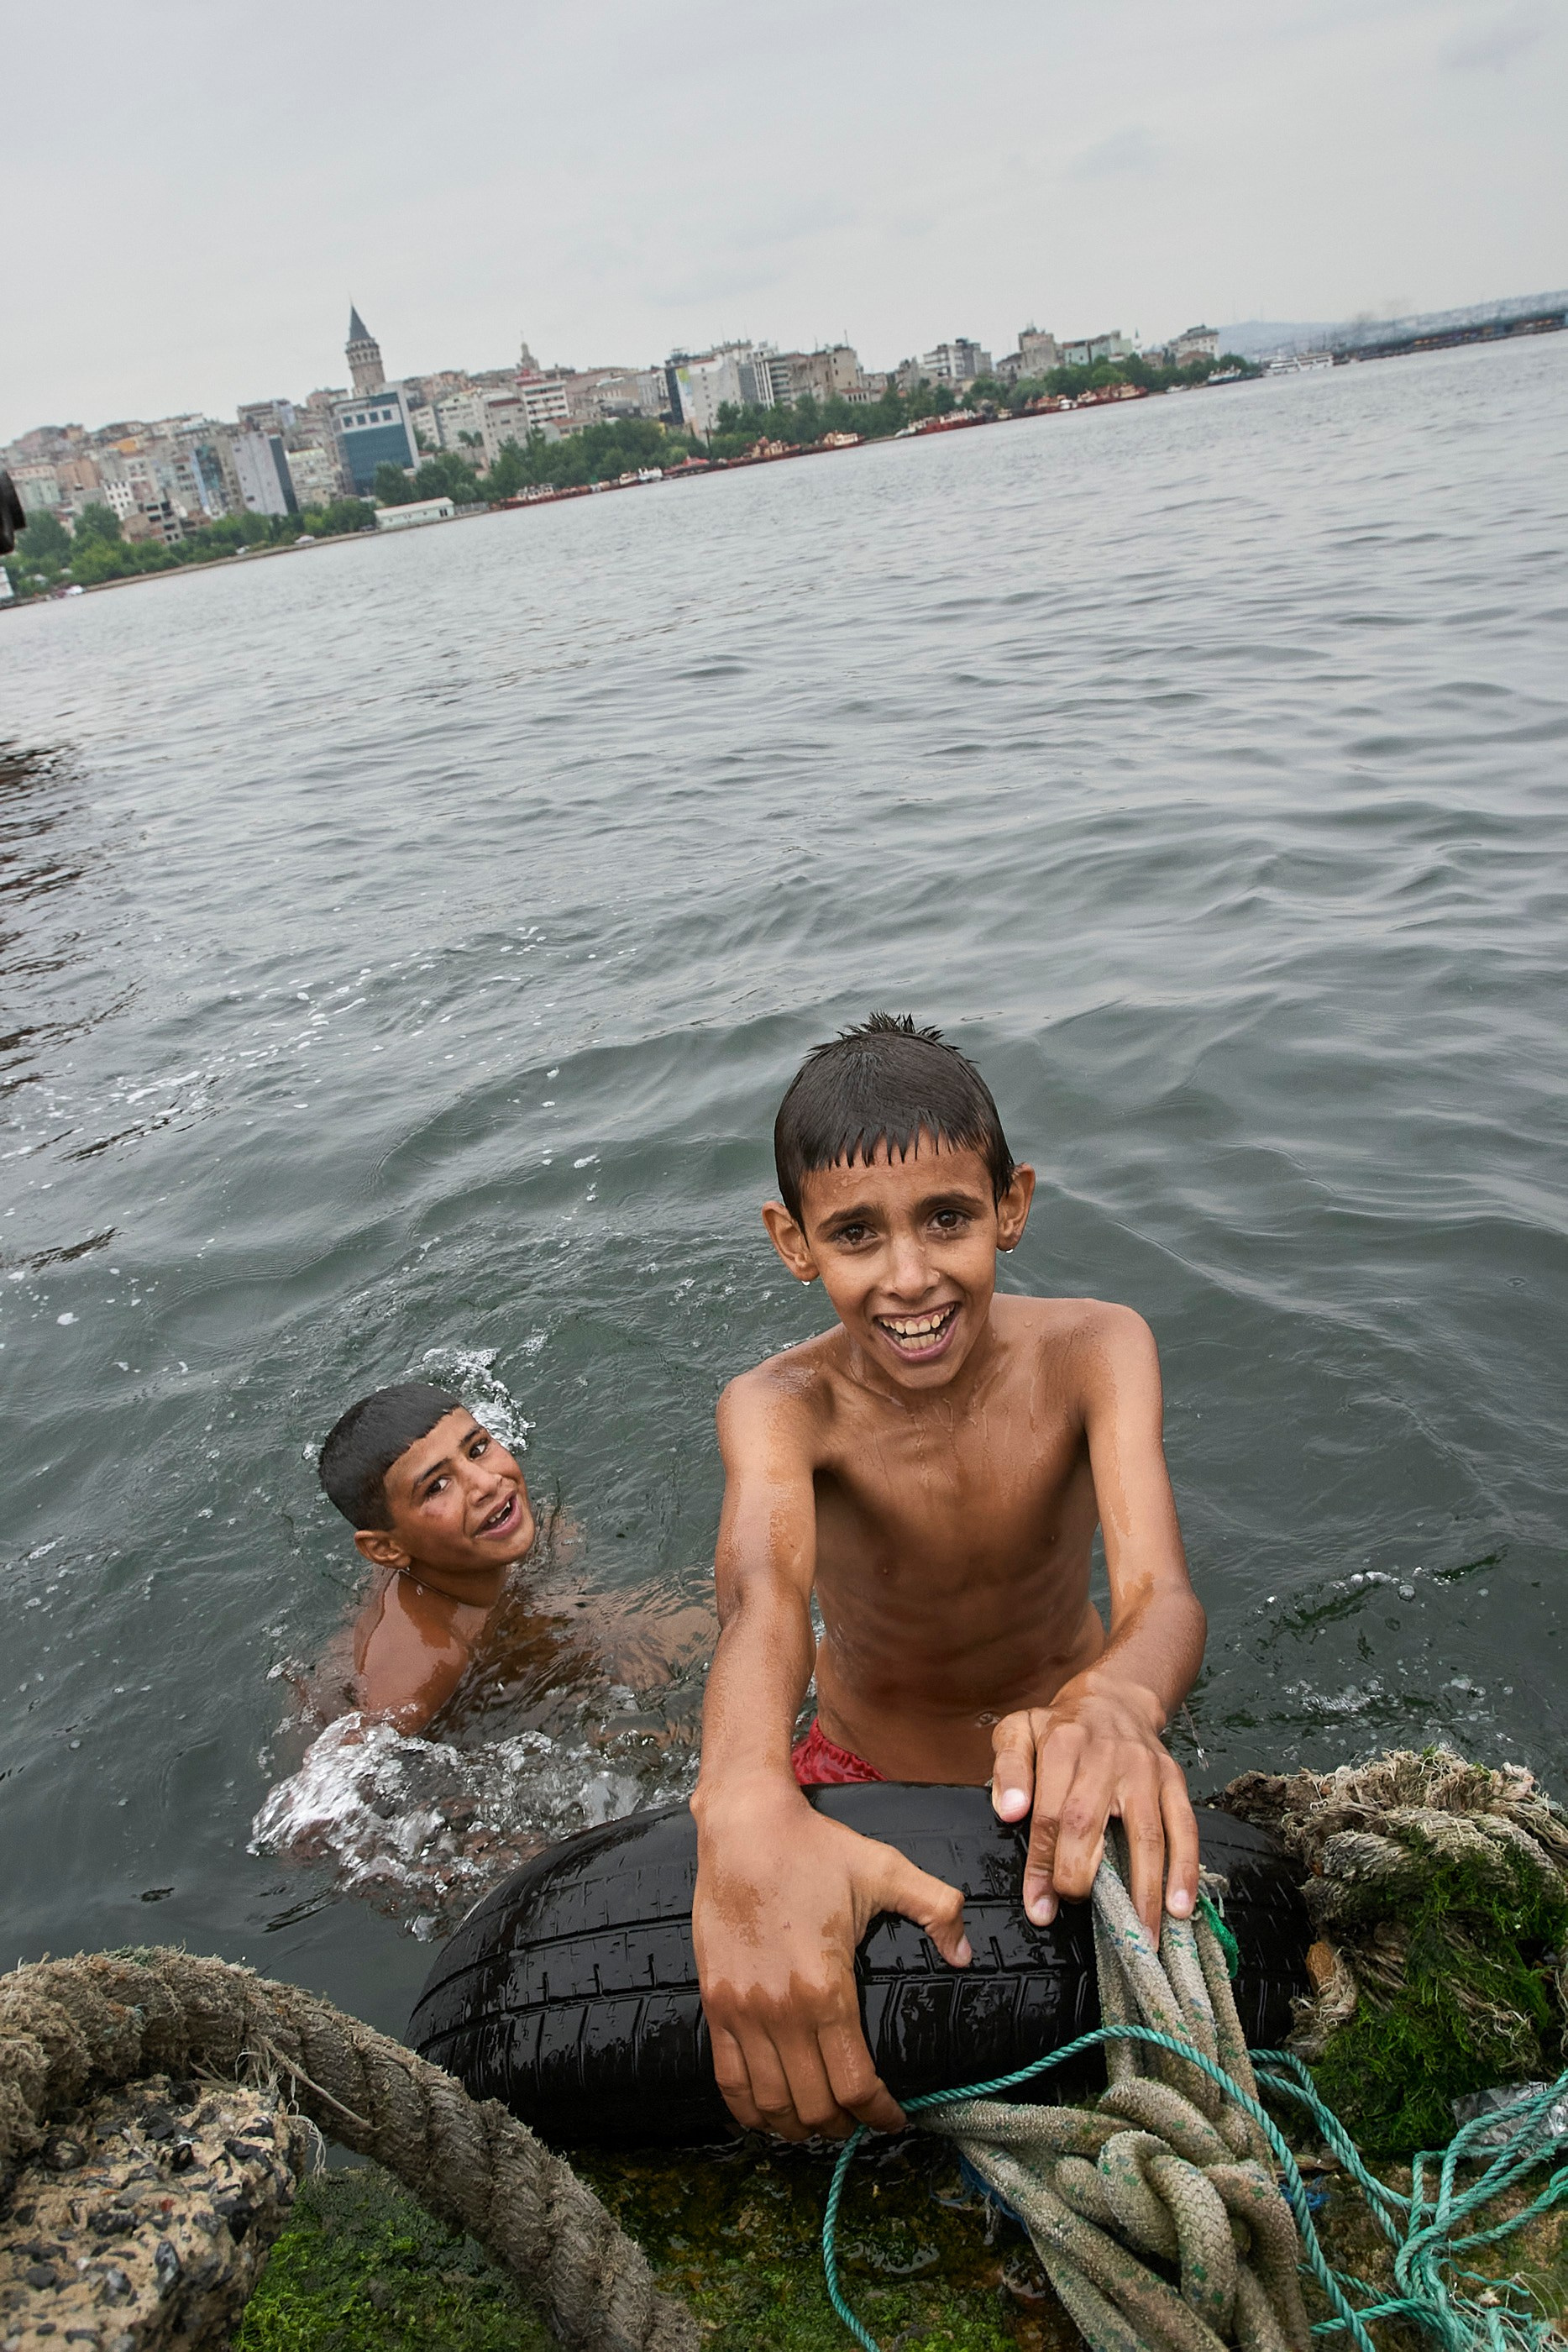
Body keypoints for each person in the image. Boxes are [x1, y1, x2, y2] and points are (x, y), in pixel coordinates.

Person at [691, 1014, 1207, 2142]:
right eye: (854, 1235)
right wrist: (739, 1798)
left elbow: (1158, 1596)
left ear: (1008, 1207)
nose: (909, 1278)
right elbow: (759, 1599)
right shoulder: (781, 1407)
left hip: (1074, 1740)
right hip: (863, 1764)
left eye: (946, 1219)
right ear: (792, 1242)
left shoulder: (1094, 1348)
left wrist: (1115, 1704)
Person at [316, 1382, 542, 1733]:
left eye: (478, 1448)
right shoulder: (418, 1670)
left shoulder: (499, 1526)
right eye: (436, 1486)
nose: (486, 1483)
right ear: (387, 1550)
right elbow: (338, 1773)